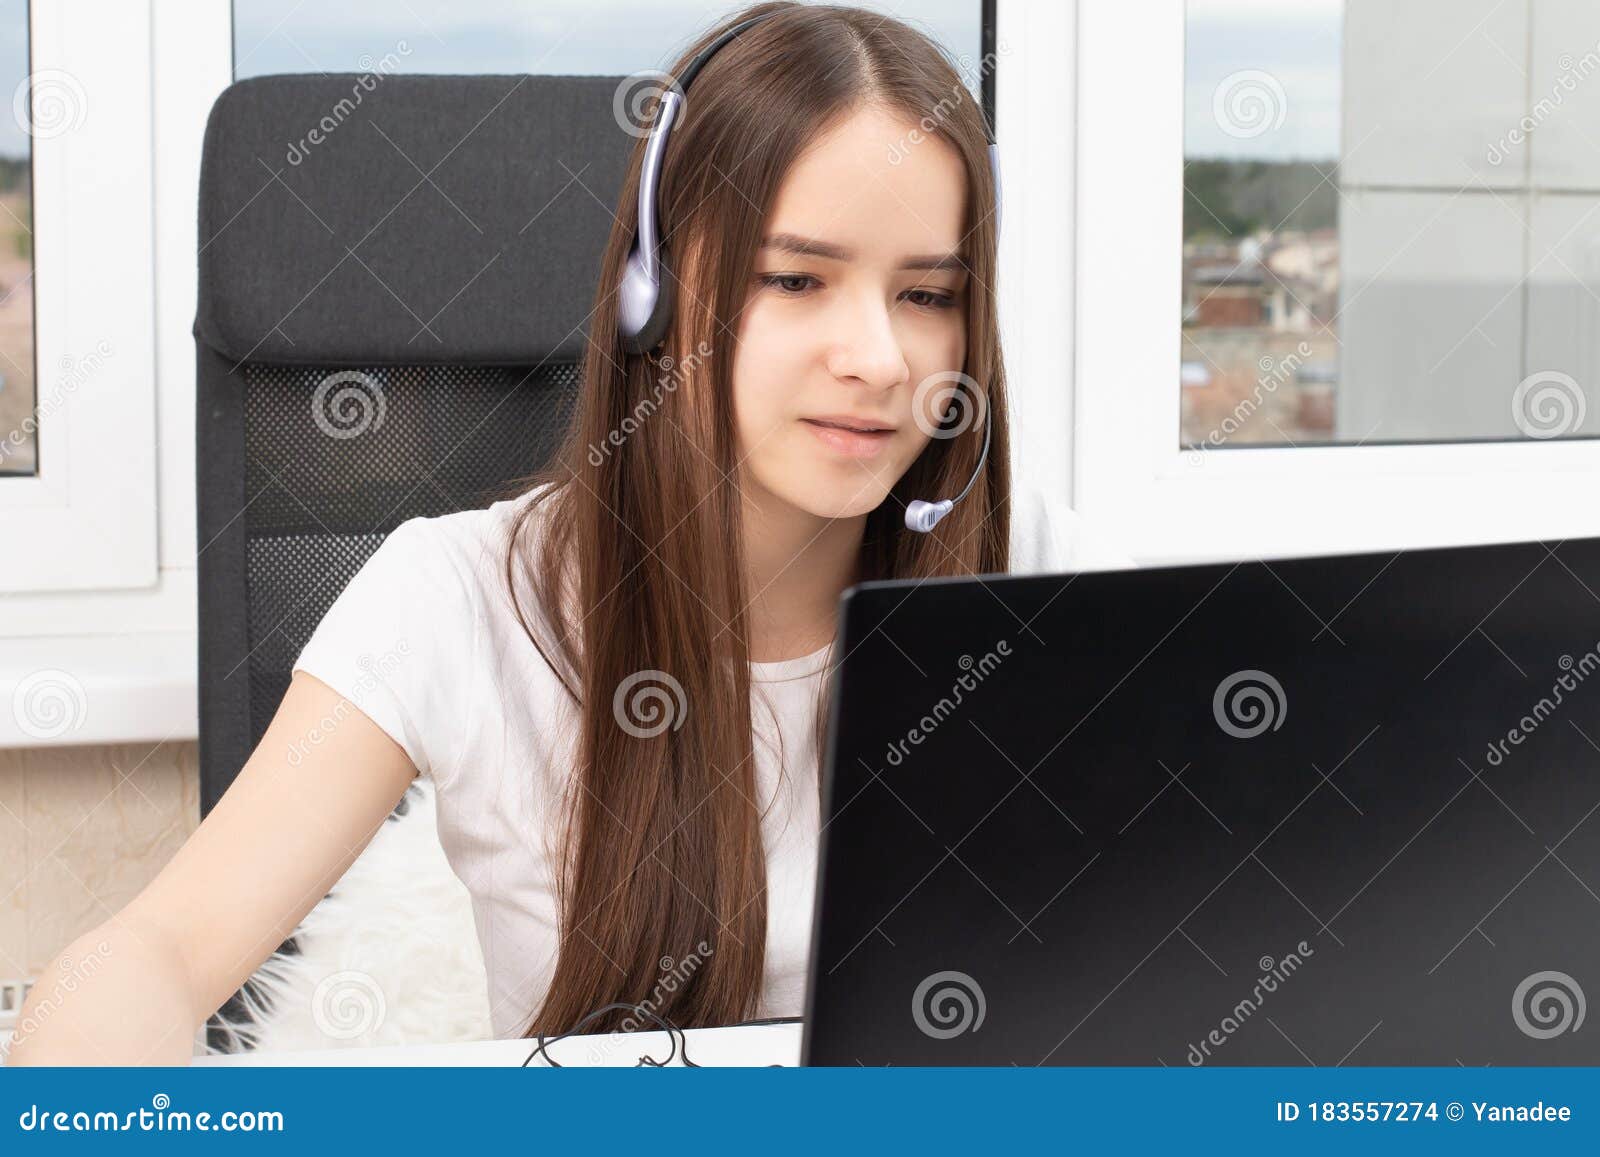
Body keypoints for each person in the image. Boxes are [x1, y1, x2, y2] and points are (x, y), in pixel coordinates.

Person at [6, 0, 1130, 1065]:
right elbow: (156, 950)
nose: (880, 359)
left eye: (926, 296)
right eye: (796, 279)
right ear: (653, 296)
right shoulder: (453, 596)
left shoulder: (1038, 570)